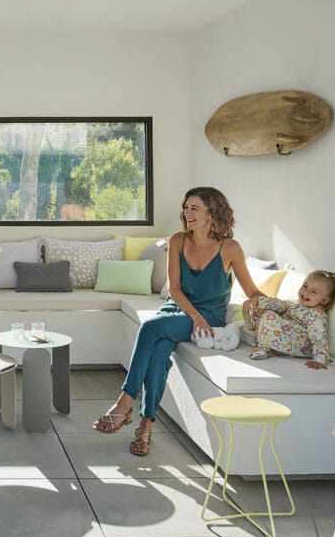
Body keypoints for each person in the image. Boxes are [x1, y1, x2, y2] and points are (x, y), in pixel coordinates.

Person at [93, 187, 265, 456]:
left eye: (194, 208)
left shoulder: (229, 248)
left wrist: (265, 304)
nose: (187, 212)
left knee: (150, 327)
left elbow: (252, 290)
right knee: (160, 349)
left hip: (208, 319)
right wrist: (191, 315)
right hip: (177, 311)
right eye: (186, 207)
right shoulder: (178, 241)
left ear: (212, 213)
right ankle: (145, 426)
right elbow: (174, 289)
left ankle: (124, 402)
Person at [242, 270, 335, 369]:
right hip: (289, 338)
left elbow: (319, 336)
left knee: (269, 315)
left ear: (324, 300)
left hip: (299, 344)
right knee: (269, 309)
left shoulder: (316, 314)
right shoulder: (298, 305)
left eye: (313, 291)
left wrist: (320, 358)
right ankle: (256, 322)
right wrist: (258, 301)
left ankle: (263, 346)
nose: (306, 292)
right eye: (305, 286)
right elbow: (281, 304)